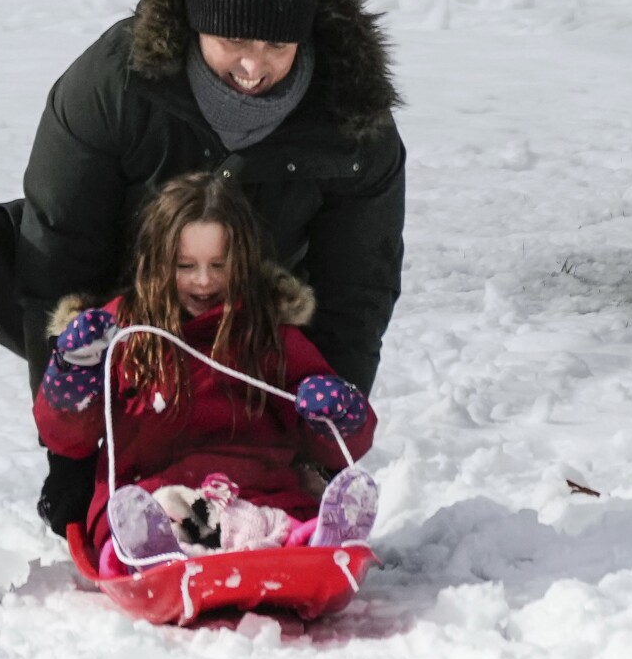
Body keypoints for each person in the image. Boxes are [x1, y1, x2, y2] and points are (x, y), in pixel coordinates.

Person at [0, 0, 404, 585]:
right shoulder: (115, 80)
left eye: (278, 45)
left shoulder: (353, 118)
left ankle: (271, 518)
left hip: (243, 322)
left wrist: (325, 443)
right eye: (232, 43)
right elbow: (59, 254)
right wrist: (70, 458)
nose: (254, 66)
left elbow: (358, 289)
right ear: (194, 27)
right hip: (104, 299)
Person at [33, 172, 380, 571]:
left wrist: (339, 416)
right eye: (185, 265)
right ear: (156, 263)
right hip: (153, 494)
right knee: (151, 517)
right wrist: (71, 378)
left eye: (219, 265)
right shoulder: (123, 332)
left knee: (278, 523)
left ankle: (318, 546)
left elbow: (338, 447)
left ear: (244, 262)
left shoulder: (268, 334)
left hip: (258, 493)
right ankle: (147, 556)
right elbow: (66, 440)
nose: (204, 280)